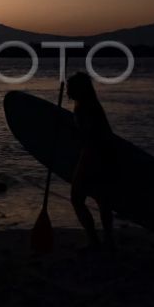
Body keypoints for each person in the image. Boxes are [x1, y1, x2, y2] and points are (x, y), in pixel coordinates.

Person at [67, 72, 116, 249]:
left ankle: (93, 239)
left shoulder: (83, 108)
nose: (67, 91)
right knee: (103, 200)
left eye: (70, 87)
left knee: (77, 198)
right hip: (106, 155)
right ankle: (109, 240)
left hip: (91, 156)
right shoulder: (93, 105)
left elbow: (89, 135)